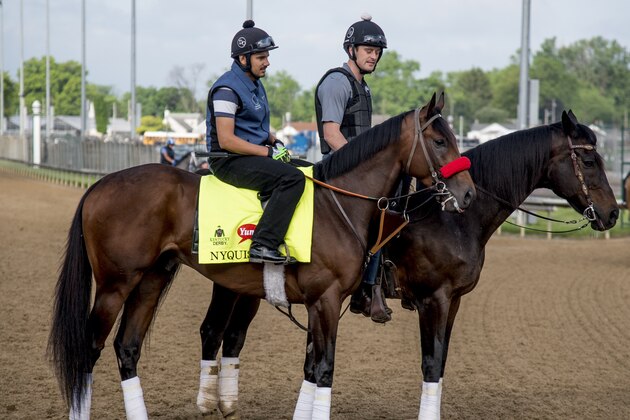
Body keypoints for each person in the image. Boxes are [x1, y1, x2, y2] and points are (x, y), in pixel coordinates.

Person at [205, 20, 305, 265]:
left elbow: (256, 125)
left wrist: (276, 141)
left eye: (267, 56)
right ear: (242, 59)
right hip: (229, 161)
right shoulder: (226, 89)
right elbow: (227, 140)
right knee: (292, 178)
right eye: (261, 57)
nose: (267, 62)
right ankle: (263, 245)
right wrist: (267, 152)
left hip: (251, 155)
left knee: (307, 168)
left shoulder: (255, 85)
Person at [314, 14, 391, 323]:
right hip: (339, 170)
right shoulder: (336, 82)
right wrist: (364, 168)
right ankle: (368, 288)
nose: (373, 56)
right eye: (367, 50)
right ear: (351, 50)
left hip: (357, 172)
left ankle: (378, 283)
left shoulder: (364, 87)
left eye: (377, 51)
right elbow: (332, 134)